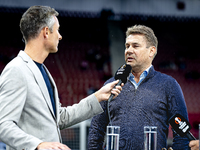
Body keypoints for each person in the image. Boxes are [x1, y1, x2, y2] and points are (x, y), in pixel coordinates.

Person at [0, 6, 123, 150]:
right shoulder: (17, 69)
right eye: (57, 30)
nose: (60, 36)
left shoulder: (42, 71)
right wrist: (37, 145)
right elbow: (3, 124)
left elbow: (60, 118)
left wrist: (97, 97)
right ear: (46, 32)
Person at [88, 25, 190, 150]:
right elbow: (96, 130)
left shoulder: (169, 85)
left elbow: (182, 133)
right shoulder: (110, 85)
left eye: (135, 46)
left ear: (151, 51)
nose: (129, 50)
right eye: (127, 46)